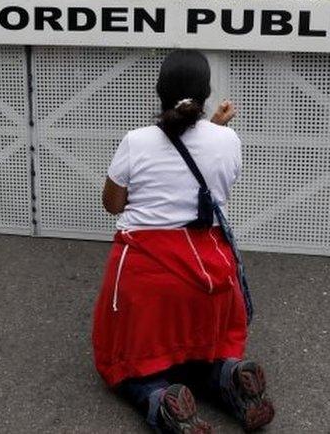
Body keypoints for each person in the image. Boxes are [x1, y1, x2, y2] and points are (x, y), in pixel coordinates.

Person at [92, 50, 274, 433]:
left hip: (149, 275)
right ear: (206, 93)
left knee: (128, 368)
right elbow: (204, 175)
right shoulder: (227, 140)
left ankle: (161, 402)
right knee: (198, 359)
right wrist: (217, 127)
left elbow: (112, 205)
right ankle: (228, 376)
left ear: (159, 90)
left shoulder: (136, 141)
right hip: (210, 273)